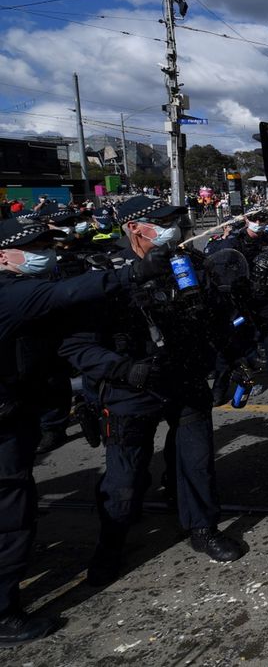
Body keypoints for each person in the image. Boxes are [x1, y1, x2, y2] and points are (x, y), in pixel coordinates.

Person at [57, 196, 246, 586]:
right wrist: (123, 368)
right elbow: (74, 345)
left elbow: (213, 317)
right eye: (158, 223)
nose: (170, 229)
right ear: (132, 228)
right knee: (125, 478)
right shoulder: (101, 271)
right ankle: (111, 545)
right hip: (130, 387)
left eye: (173, 221)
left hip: (184, 377)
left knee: (196, 460)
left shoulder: (186, 263)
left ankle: (202, 527)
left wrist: (236, 357)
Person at [0, 218, 144, 644]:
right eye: (35, 246)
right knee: (11, 517)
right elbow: (65, 293)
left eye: (48, 243)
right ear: (3, 256)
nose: (47, 252)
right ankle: (4, 614)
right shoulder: (11, 293)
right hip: (3, 428)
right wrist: (131, 272)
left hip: (17, 414)